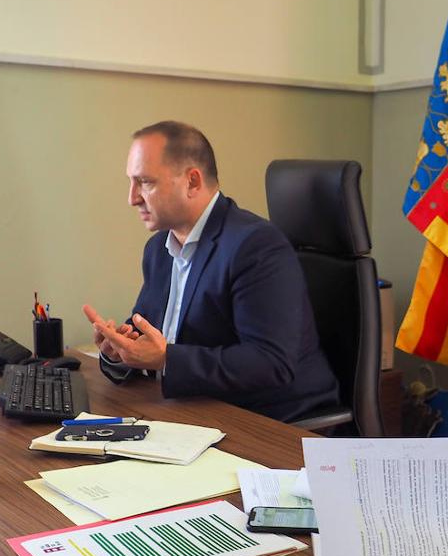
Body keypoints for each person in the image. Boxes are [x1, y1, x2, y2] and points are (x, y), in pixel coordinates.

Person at [82, 121, 340, 423]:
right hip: (196, 412)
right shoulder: (158, 249)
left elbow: (271, 363)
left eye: (146, 182)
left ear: (192, 181)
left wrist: (166, 358)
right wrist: (120, 353)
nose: (132, 197)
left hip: (268, 422)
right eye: (132, 182)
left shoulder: (255, 246)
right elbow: (149, 336)